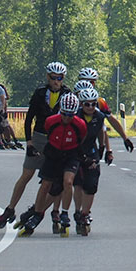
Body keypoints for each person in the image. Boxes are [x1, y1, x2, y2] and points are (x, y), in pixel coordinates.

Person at [0, 62, 70, 233]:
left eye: (60, 78)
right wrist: (29, 142)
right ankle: (10, 208)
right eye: (53, 78)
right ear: (47, 77)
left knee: (54, 181)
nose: (56, 81)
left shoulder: (67, 94)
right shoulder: (40, 93)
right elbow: (29, 119)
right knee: (27, 174)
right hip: (39, 137)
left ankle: (39, 210)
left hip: (57, 141)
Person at [18, 92, 88, 237]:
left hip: (71, 154)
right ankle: (37, 213)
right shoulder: (51, 121)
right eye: (64, 114)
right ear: (60, 111)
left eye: (70, 115)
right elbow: (49, 134)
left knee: (68, 182)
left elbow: (81, 139)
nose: (67, 118)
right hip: (54, 153)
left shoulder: (80, 124)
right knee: (45, 184)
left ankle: (64, 212)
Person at [71, 88, 107, 236]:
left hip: (91, 151)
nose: (91, 108)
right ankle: (78, 212)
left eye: (93, 104)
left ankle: (85, 214)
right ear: (81, 104)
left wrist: (103, 148)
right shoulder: (75, 116)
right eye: (87, 105)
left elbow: (101, 132)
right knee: (78, 183)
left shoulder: (99, 116)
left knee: (91, 185)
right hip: (76, 150)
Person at [76, 67, 134, 157]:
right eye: (86, 80)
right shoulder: (71, 100)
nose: (88, 84)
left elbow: (105, 124)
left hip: (90, 142)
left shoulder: (99, 102)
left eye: (92, 81)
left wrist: (124, 139)